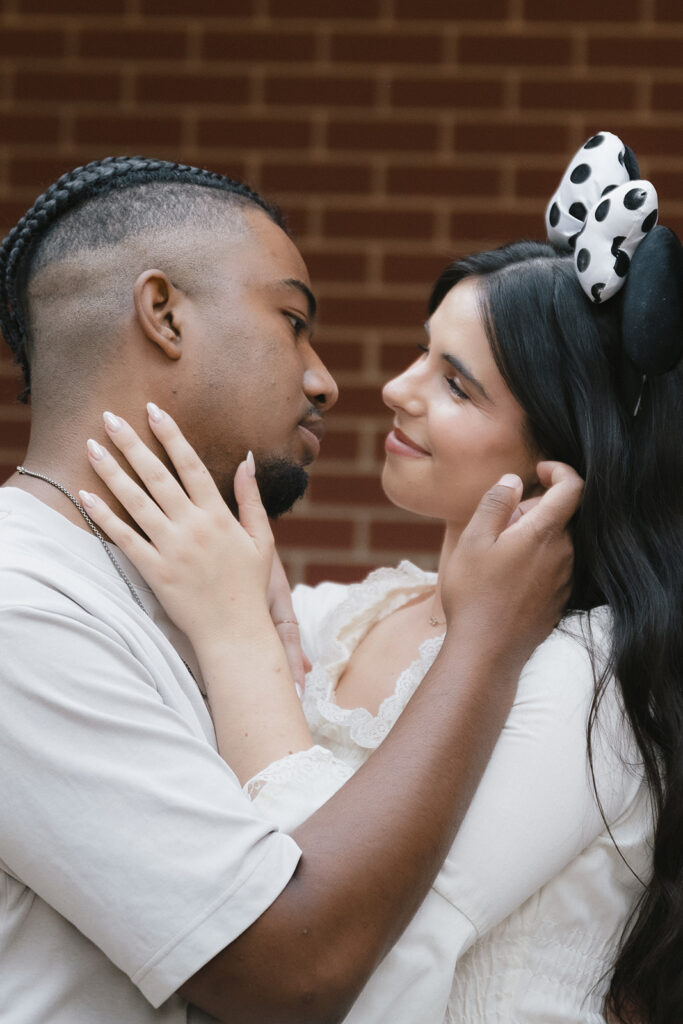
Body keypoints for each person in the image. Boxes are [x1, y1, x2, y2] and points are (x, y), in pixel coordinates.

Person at [79, 136, 682, 1024]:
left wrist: (239, 638)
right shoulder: (360, 615)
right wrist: (247, 605)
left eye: (456, 385)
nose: (397, 389)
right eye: (420, 353)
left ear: (561, 455)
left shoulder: (582, 677)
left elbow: (351, 958)